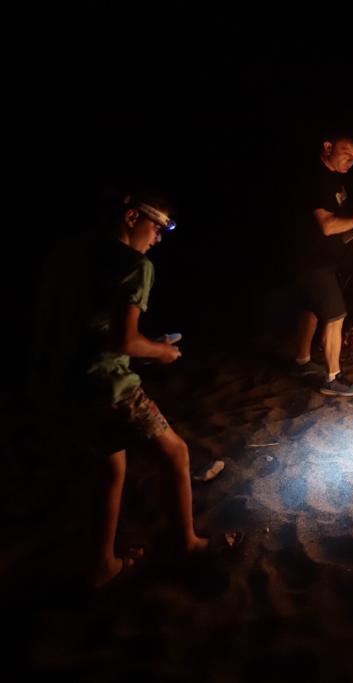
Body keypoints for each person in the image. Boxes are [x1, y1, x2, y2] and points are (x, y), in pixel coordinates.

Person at [65, 190, 208, 588]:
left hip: (67, 379)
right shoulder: (135, 265)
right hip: (108, 383)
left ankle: (102, 564)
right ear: (132, 217)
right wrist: (160, 351)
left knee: (112, 466)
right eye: (157, 228)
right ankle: (189, 545)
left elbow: (93, 326)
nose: (158, 238)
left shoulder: (79, 253)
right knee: (176, 453)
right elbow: (125, 341)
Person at [288, 129, 353, 396]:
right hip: (310, 261)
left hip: (320, 258)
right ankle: (333, 378)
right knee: (336, 314)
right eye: (346, 153)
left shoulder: (334, 182)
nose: (351, 160)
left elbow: (336, 232)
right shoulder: (317, 179)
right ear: (328, 146)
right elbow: (327, 226)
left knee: (310, 308)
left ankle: (301, 362)